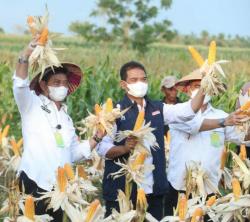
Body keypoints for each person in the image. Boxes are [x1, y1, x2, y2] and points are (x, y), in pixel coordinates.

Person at [96, 61, 206, 220]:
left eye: (143, 79)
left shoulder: (158, 108)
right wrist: (124, 149)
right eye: (134, 80)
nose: (140, 83)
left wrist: (205, 85)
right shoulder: (114, 112)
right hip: (123, 190)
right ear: (123, 84)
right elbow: (101, 148)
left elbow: (188, 111)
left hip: (153, 190)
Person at [13, 40, 105, 221]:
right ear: (44, 85)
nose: (61, 86)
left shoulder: (66, 118)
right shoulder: (31, 104)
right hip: (33, 181)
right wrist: (26, 54)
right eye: (56, 82)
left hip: (59, 189)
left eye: (64, 83)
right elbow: (19, 85)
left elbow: (72, 154)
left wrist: (96, 138)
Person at [165, 70, 248, 218]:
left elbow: (243, 138)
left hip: (209, 190)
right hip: (180, 189)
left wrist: (246, 114)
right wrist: (224, 122)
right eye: (198, 86)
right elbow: (195, 125)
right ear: (186, 89)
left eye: (206, 86)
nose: (203, 90)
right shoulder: (177, 113)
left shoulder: (221, 115)